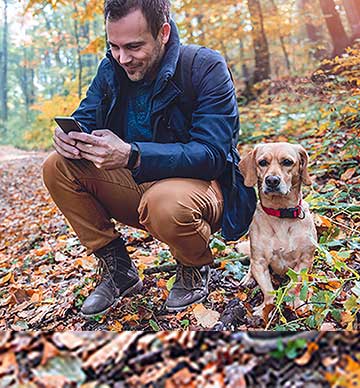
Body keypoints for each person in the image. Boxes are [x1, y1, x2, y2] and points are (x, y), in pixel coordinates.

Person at [42, 0, 256, 318]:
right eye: (113, 46)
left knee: (166, 201)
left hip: (200, 190)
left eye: (133, 46)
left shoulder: (204, 66)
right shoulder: (111, 68)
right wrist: (71, 136)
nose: (122, 58)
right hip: (138, 183)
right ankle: (119, 270)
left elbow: (211, 154)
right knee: (56, 167)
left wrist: (132, 154)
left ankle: (194, 266)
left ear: (163, 33)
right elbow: (86, 114)